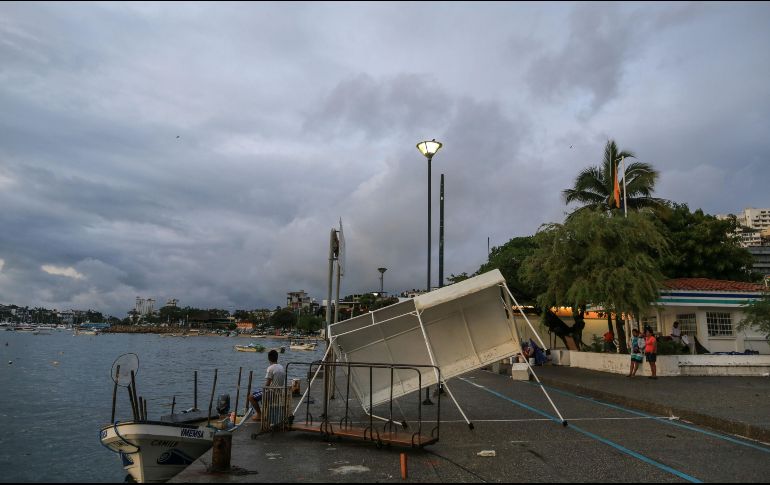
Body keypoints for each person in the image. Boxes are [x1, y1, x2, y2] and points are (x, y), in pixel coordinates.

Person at [249, 349, 286, 421]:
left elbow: (267, 384)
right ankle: (263, 412)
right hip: (280, 391)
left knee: (251, 397)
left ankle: (259, 415)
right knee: (259, 393)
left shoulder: (271, 368)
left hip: (272, 392)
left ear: (269, 359)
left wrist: (262, 389)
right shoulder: (281, 367)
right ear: (277, 358)